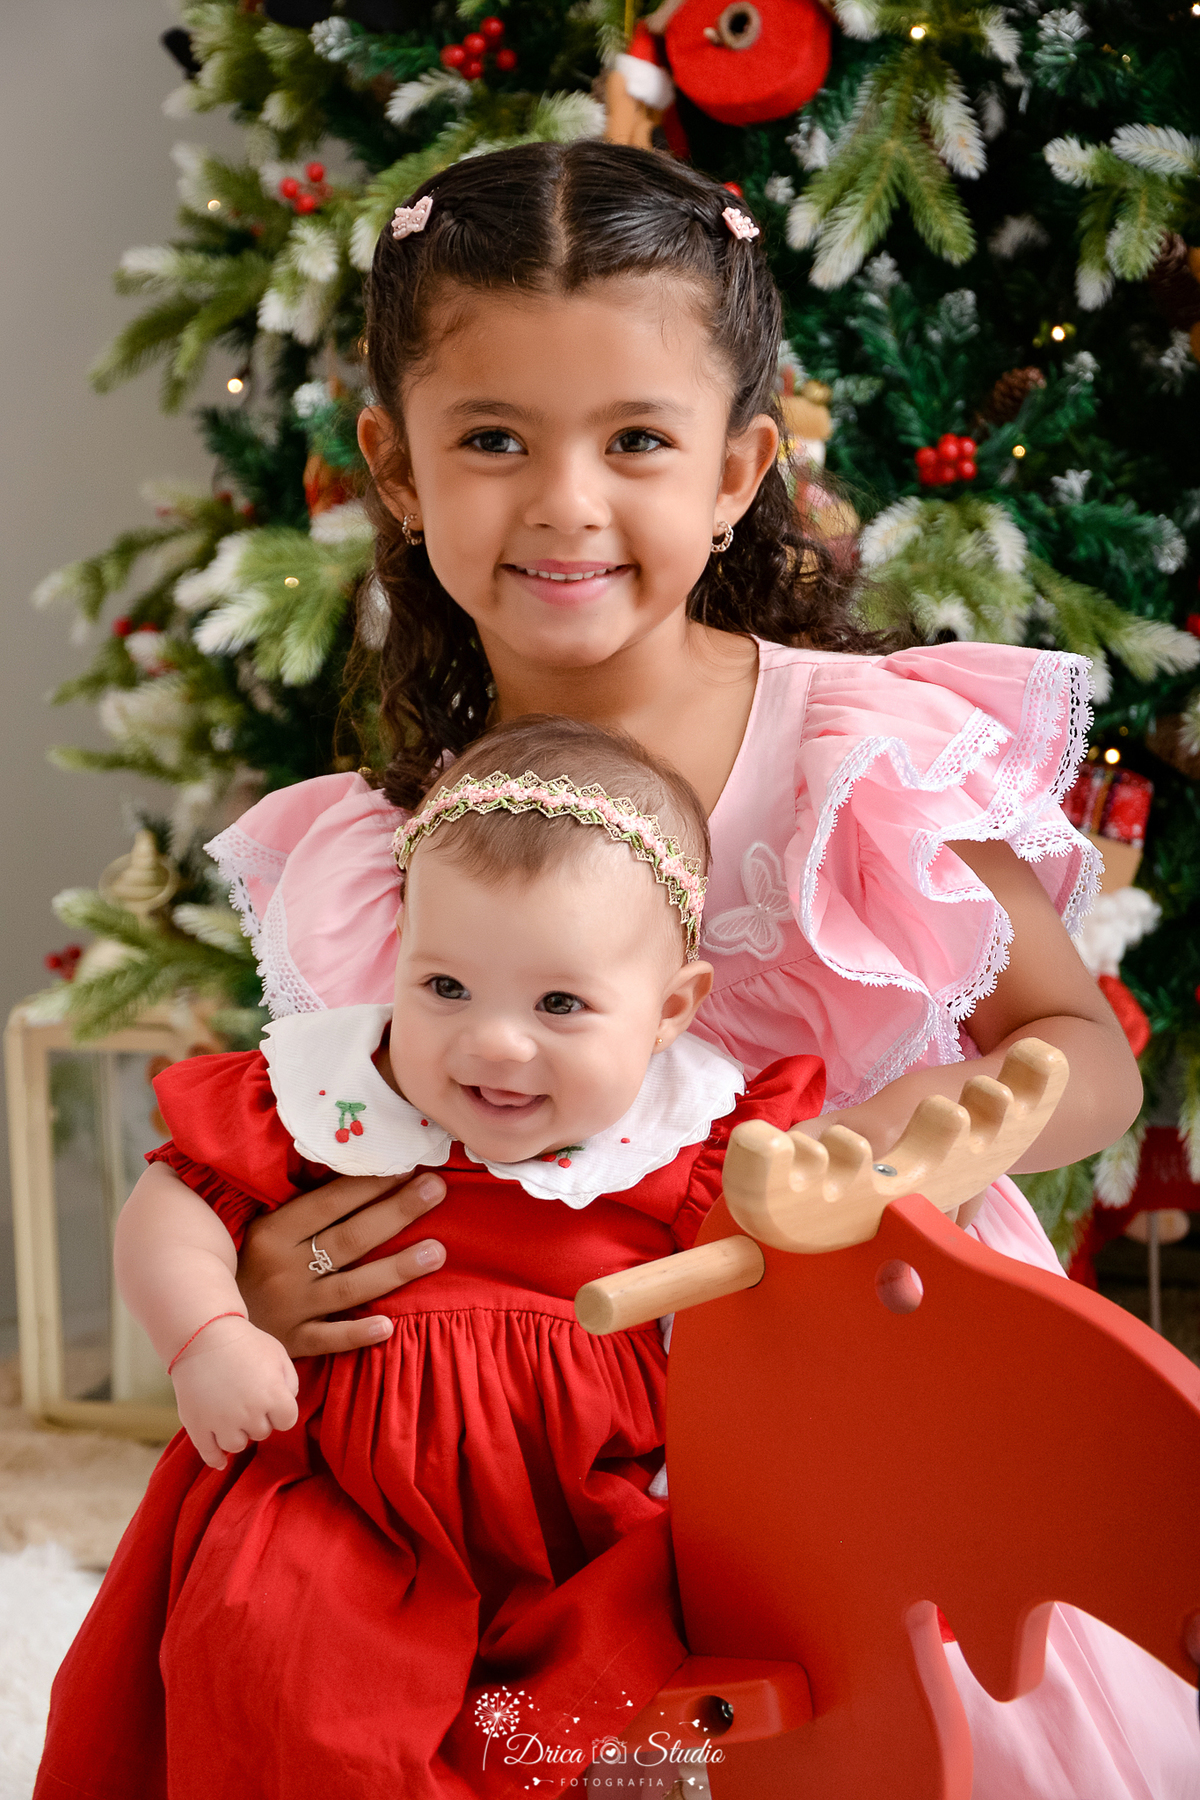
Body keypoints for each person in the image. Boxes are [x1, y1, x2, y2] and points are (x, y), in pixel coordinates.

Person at [48, 138, 1198, 1796]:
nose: (565, 502)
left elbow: (1077, 1042)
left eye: (637, 441)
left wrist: (959, 1115)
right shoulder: (389, 850)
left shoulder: (855, 758)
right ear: (393, 462)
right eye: (495, 439)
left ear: (735, 472)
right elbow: (356, 1136)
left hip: (847, 1365)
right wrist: (271, 1289)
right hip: (534, 1430)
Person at [37, 716, 823, 1800]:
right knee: (278, 1667)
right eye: (445, 988)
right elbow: (171, 1202)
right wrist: (207, 1333)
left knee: (613, 1717)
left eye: (560, 1004)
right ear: (398, 957)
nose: (494, 1042)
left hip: (586, 1522)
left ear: (668, 1010)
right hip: (337, 1497)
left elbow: (777, 1305)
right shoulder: (331, 1102)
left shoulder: (689, 1146)